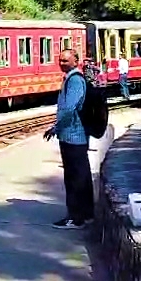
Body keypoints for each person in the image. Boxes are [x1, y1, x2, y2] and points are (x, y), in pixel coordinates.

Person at [44, 49, 94, 230]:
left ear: (76, 61)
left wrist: (56, 128)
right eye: (60, 60)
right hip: (75, 135)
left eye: (66, 60)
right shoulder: (73, 79)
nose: (62, 63)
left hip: (73, 136)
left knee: (74, 178)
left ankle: (75, 217)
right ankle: (86, 214)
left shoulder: (74, 81)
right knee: (81, 176)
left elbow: (69, 109)